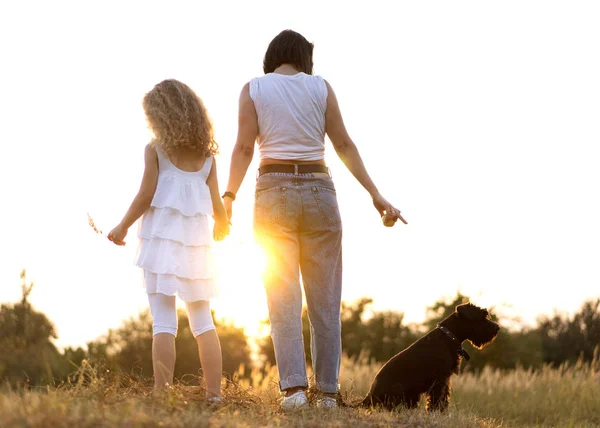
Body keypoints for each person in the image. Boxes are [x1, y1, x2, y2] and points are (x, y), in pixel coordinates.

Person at [222, 30, 407, 410]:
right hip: (320, 190)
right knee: (325, 301)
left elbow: (243, 147)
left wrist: (228, 197)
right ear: (305, 58)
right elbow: (343, 144)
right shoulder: (321, 88)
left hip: (272, 190)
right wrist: (376, 194)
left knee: (282, 298)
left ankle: (292, 392)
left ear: (272, 56)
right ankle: (325, 393)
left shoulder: (253, 88)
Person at [107, 79, 229, 401]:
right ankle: (214, 395)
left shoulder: (156, 150)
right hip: (196, 251)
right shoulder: (208, 159)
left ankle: (163, 394)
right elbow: (218, 208)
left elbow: (146, 194)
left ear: (162, 116)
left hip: (161, 245)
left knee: (163, 320)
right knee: (203, 322)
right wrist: (222, 225)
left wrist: (121, 227)